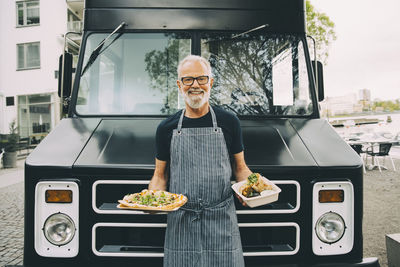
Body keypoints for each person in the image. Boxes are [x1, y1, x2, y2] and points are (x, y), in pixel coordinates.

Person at [149, 55, 253, 267]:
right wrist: (152, 200)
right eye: (188, 80)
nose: (195, 85)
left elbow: (240, 168)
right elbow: (160, 175)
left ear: (210, 83)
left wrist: (252, 188)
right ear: (180, 85)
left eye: (201, 79)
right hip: (181, 221)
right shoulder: (166, 128)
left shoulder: (229, 122)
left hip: (221, 220)